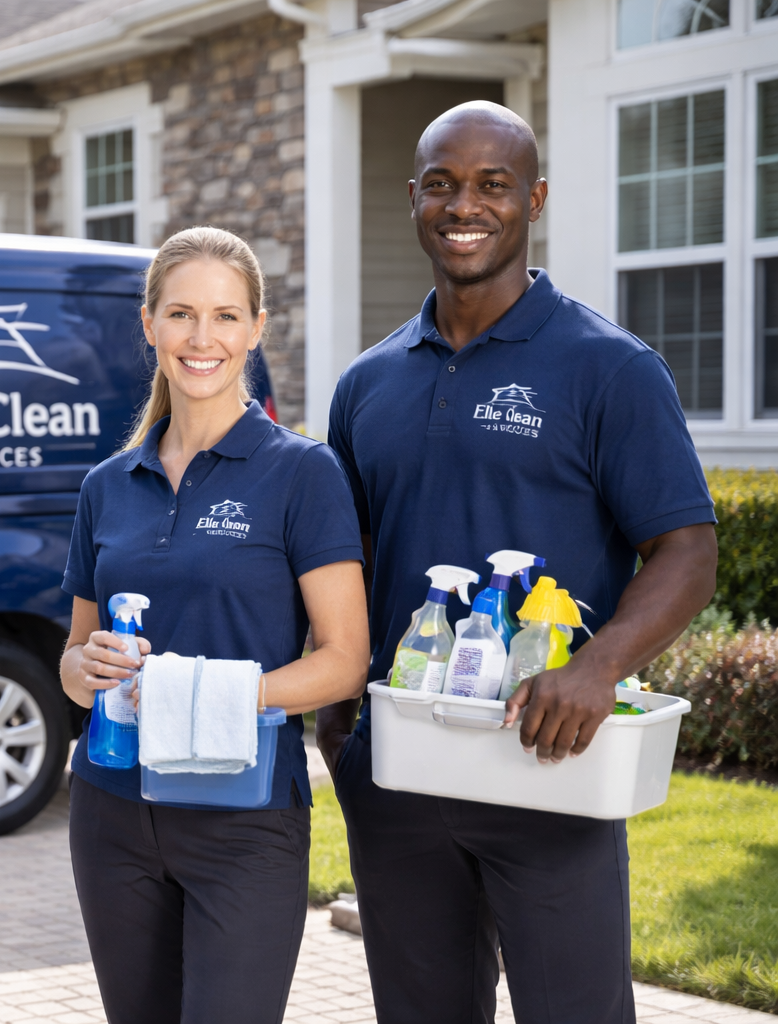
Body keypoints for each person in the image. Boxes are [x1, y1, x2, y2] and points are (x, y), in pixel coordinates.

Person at [319, 102, 718, 1023]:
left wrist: (598, 668)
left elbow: (687, 553)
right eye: (444, 184)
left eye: (494, 185)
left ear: (533, 199)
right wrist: (340, 730)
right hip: (402, 776)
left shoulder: (608, 369)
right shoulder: (367, 384)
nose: (467, 205)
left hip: (550, 766)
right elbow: (347, 562)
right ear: (412, 198)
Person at [59, 227, 370, 1024]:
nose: (204, 339)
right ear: (150, 325)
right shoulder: (107, 486)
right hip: (112, 810)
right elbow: (72, 658)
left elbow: (344, 661)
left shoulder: (303, 472)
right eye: (183, 315)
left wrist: (198, 696)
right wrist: (84, 668)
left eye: (227, 317)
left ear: (257, 329)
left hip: (245, 814)